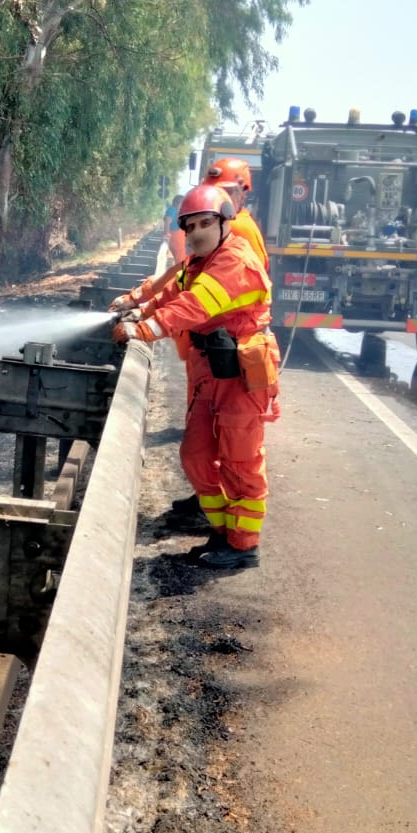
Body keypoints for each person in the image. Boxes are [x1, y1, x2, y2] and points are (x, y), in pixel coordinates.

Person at [112, 184, 279, 570]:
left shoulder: (235, 260)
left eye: (206, 222)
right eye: (190, 226)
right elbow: (175, 289)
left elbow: (195, 305)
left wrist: (147, 329)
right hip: (211, 368)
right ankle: (222, 534)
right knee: (196, 457)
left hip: (241, 371)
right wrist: (139, 308)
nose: (197, 231)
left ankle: (243, 546)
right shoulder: (200, 261)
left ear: (224, 222)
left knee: (240, 461)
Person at [205, 158, 268, 268]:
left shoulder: (233, 226)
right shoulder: (241, 220)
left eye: (227, 192)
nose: (219, 198)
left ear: (243, 194)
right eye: (214, 192)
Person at [163, 192, 187, 263]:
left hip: (178, 239)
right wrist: (166, 234)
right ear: (177, 203)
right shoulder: (172, 210)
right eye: (182, 203)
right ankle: (181, 273)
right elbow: (167, 221)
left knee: (181, 259)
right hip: (176, 239)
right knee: (181, 261)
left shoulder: (174, 210)